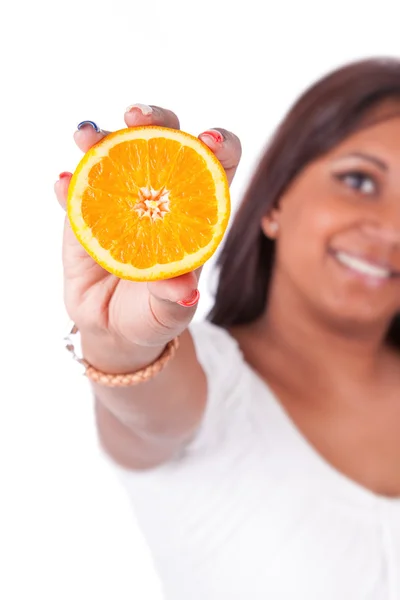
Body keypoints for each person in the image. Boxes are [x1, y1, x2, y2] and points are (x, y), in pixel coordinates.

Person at [55, 58, 400, 599]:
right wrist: (118, 341)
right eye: (358, 180)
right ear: (276, 201)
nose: (391, 226)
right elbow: (147, 411)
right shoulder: (214, 388)